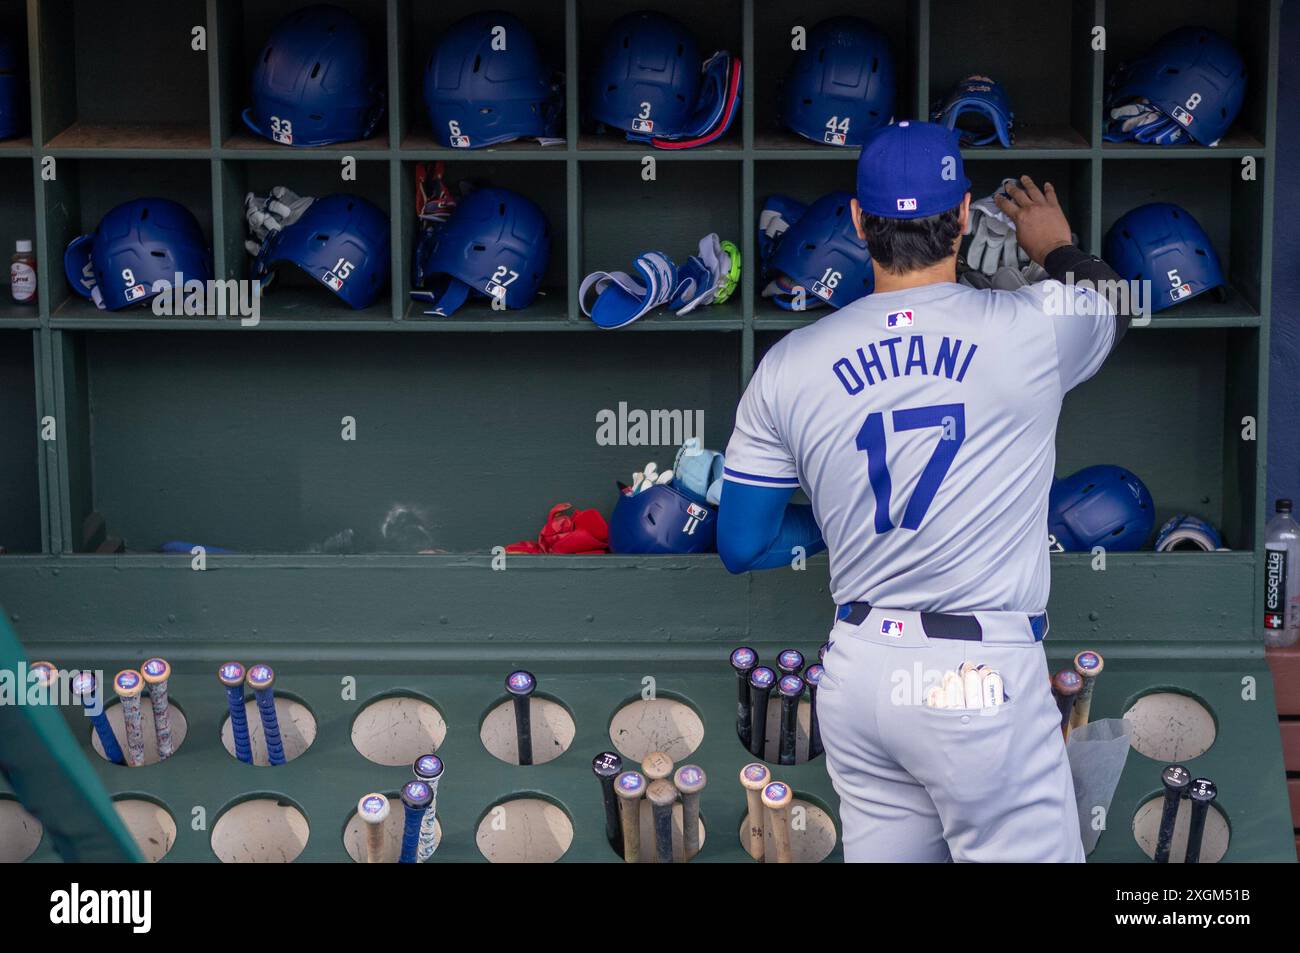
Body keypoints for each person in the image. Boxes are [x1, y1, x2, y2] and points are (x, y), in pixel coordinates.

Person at [717, 120, 1130, 862]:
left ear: (856, 221)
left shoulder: (791, 361)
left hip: (862, 672)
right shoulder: (1033, 326)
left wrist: (835, 528)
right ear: (965, 217)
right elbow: (1111, 300)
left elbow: (742, 543)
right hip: (976, 680)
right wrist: (1052, 244)